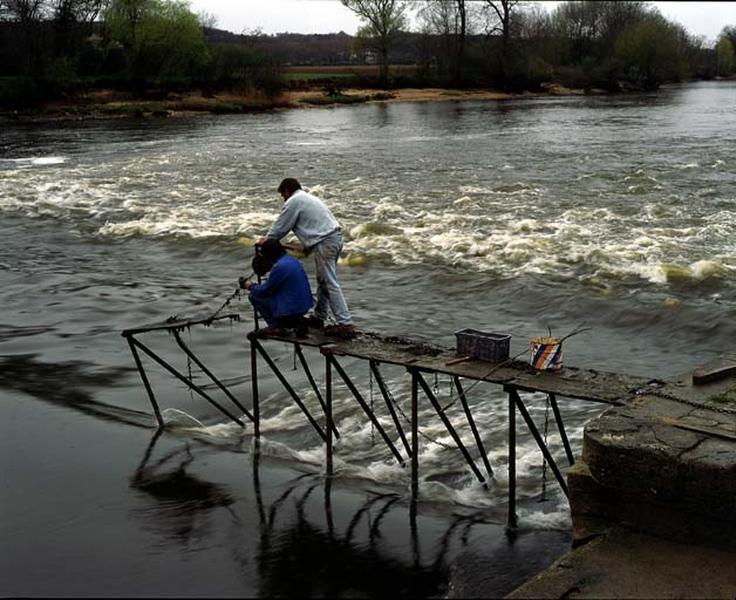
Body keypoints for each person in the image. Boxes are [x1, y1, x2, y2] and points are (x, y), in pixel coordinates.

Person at [258, 178, 355, 339]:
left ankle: (345, 324)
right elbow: (315, 225)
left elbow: (280, 227)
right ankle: (319, 317)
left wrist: (266, 240)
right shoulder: (308, 198)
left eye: (283, 195)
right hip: (333, 238)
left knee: (329, 282)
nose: (283, 199)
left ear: (287, 191)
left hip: (325, 242)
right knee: (323, 281)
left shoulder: (294, 201)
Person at [240, 239, 312, 337]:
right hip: (304, 307)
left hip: (292, 309)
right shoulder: (291, 260)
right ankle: (294, 322)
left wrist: (249, 285)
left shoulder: (279, 267)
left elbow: (264, 291)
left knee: (254, 296)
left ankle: (275, 327)